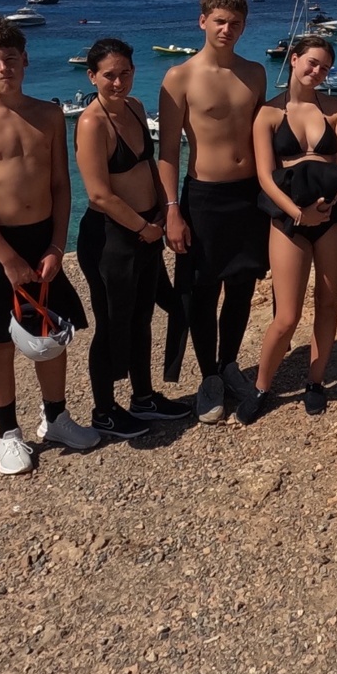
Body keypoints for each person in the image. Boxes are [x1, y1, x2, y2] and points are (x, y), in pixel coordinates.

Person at [0, 10, 101, 475]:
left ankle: (56, 418)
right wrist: (9, 258)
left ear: (25, 60)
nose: (3, 69)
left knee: (51, 332)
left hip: (41, 238)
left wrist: (56, 246)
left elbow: (60, 187)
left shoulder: (50, 115)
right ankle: (7, 433)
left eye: (10, 59)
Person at [157, 0, 269, 425]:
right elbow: (166, 150)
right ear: (202, 21)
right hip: (204, 195)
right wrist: (171, 209)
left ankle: (228, 365)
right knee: (202, 292)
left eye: (235, 23)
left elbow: (267, 136)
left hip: (249, 195)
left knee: (242, 286)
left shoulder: (255, 73)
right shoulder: (179, 77)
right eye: (219, 21)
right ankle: (208, 378)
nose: (227, 29)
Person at [73, 38, 193, 439]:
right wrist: (143, 229)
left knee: (143, 317)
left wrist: (163, 207)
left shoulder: (136, 108)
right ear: (92, 76)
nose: (118, 82)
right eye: (109, 75)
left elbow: (150, 165)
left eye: (125, 73)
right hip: (112, 236)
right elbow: (99, 194)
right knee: (111, 324)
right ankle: (104, 410)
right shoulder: (92, 122)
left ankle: (143, 397)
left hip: (146, 229)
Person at [244, 35, 337, 418]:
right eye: (311, 63)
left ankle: (315, 380)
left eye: (324, 67)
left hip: (333, 216)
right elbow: (263, 176)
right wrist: (298, 213)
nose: (317, 72)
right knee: (287, 315)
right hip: (287, 217)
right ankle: (262, 386)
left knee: (327, 304)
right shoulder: (269, 114)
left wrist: (328, 205)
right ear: (294, 60)